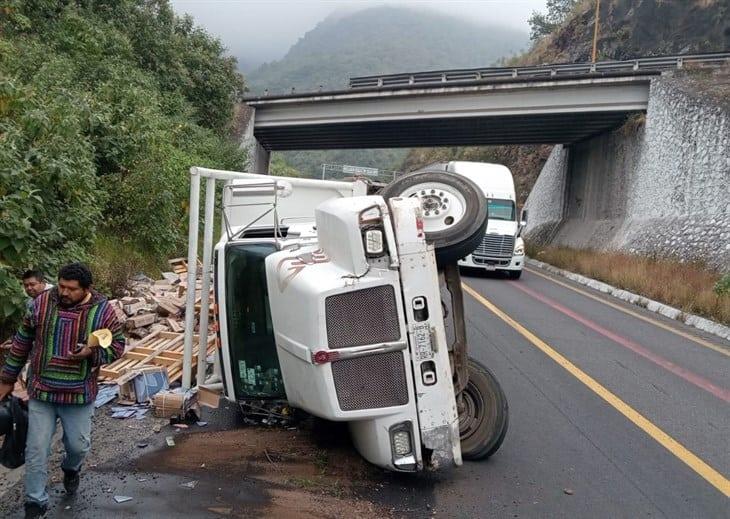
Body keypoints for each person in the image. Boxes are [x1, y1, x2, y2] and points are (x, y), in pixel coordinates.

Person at [0, 263, 125, 518]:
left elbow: (118, 346)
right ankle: (35, 503)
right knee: (36, 449)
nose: (64, 292)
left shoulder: (102, 311)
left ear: (87, 289)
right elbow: (22, 341)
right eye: (61, 286)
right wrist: (6, 379)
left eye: (71, 289)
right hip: (42, 392)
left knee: (78, 446)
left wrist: (92, 352)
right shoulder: (41, 304)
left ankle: (71, 469)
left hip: (78, 394)